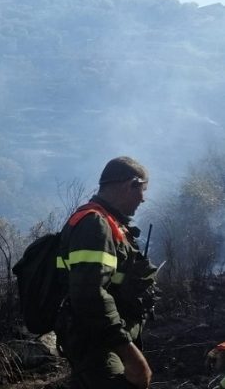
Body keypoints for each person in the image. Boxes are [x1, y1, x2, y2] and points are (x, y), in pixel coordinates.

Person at [55, 156, 158, 389]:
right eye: (142, 190)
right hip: (98, 343)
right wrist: (127, 350)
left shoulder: (111, 223)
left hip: (104, 339)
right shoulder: (94, 224)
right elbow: (89, 295)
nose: (143, 198)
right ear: (129, 184)